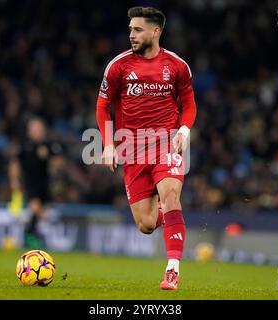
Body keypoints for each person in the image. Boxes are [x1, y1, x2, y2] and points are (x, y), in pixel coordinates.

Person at [96, 7, 197, 290]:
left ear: (156, 31)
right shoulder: (118, 66)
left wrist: (184, 130)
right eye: (130, 29)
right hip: (132, 149)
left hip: (166, 143)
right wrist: (107, 143)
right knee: (146, 225)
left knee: (171, 195)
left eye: (137, 30)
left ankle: (172, 271)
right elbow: (103, 105)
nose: (131, 35)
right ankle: (168, 217)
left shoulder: (177, 66)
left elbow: (188, 104)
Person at [8, 117, 55, 248]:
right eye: (35, 129)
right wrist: (14, 180)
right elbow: (14, 163)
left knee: (39, 213)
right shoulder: (24, 145)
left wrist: (48, 157)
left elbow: (60, 163)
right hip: (29, 182)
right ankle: (30, 235)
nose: (38, 132)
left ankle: (29, 234)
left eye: (40, 129)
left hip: (45, 184)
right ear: (29, 131)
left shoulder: (50, 145)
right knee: (36, 207)